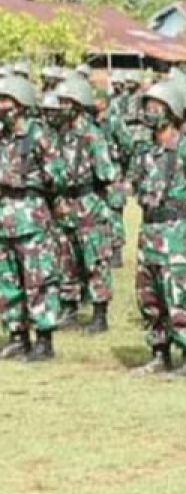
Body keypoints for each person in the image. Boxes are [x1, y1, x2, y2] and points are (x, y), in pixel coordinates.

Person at [130, 80, 186, 377]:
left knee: (181, 297)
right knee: (150, 297)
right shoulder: (144, 151)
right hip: (151, 233)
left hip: (180, 234)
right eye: (147, 107)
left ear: (172, 112)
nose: (149, 113)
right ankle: (159, 353)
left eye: (156, 107)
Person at [0, 75, 65, 362]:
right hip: (4, 220)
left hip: (32, 218)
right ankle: (17, 335)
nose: (2, 106)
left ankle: (43, 339)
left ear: (22, 103)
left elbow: (58, 175)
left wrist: (25, 180)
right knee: (8, 281)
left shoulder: (37, 135)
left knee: (38, 280)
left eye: (6, 101)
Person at [51, 76, 119, 335]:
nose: (61, 107)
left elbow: (106, 173)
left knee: (94, 258)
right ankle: (69, 307)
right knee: (65, 258)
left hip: (88, 202)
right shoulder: (58, 134)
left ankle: (99, 314)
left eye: (66, 102)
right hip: (64, 204)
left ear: (79, 104)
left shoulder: (92, 135)